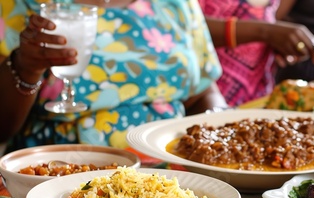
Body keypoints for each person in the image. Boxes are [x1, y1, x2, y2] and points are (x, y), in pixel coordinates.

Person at [0, 0, 228, 154]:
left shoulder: (176, 4)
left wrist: (219, 128)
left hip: (167, 175)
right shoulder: (24, 6)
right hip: (57, 175)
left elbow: (202, 93)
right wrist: (26, 68)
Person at [198, 0, 314, 107]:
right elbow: (188, 28)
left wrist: (279, 41)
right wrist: (265, 32)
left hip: (260, 97)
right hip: (209, 98)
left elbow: (266, 16)